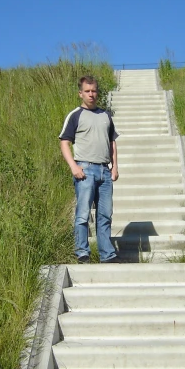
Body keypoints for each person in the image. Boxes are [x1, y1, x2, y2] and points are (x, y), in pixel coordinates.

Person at [59, 75, 119, 264]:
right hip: (85, 170)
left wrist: (115, 166)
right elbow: (64, 142)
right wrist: (73, 167)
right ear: (80, 93)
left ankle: (107, 255)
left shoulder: (106, 115)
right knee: (83, 214)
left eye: (94, 91)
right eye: (87, 91)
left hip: (104, 171)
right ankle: (82, 252)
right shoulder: (75, 115)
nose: (91, 94)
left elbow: (112, 142)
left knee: (105, 215)